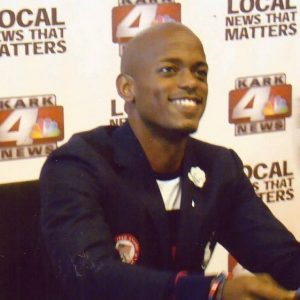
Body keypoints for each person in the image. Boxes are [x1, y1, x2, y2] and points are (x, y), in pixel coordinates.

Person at [40, 22, 300, 300]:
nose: (191, 83)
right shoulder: (77, 165)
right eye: (169, 70)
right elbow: (92, 276)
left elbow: (283, 259)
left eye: (200, 73)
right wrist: (212, 293)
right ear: (127, 88)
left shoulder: (220, 167)